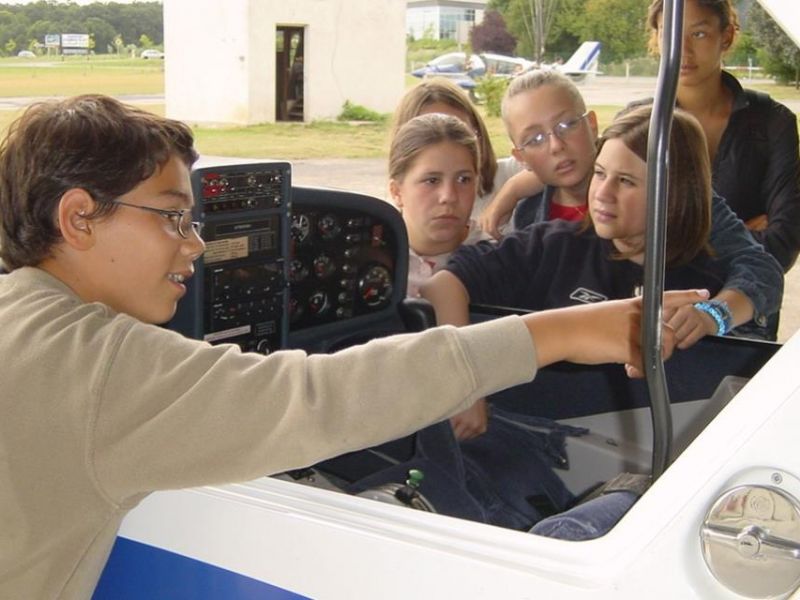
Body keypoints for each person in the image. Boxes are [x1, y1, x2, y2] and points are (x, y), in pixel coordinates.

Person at [0, 94, 703, 599]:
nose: (195, 244)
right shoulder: (98, 366)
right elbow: (316, 397)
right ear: (79, 217)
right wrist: (568, 330)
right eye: (174, 217)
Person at [421, 106, 783, 439]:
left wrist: (713, 316)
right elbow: (447, 282)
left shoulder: (710, 281)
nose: (603, 194)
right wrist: (464, 384)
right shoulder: (554, 245)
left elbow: (762, 277)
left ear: (673, 194)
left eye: (626, 181)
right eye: (599, 173)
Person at [479, 68, 782, 341]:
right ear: (520, 157)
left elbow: (761, 269)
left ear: (592, 124)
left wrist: (713, 315)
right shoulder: (530, 213)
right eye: (535, 140)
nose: (556, 146)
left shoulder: (672, 195)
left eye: (567, 125)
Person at [645, 0, 800, 273]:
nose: (683, 50)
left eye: (699, 33)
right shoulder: (639, 126)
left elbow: (781, 245)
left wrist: (676, 242)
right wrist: (739, 234)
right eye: (669, 33)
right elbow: (622, 238)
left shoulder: (773, 122)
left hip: (745, 308)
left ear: (726, 36)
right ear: (656, 38)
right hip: (660, 308)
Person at [391, 77, 543, 223]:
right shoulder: (395, 219)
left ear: (477, 132)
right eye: (426, 133)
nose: (446, 140)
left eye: (459, 131)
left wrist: (512, 190)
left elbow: (555, 164)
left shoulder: (508, 173)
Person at [389, 113, 488, 297]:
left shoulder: (495, 261)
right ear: (396, 192)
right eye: (432, 180)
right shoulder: (368, 258)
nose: (449, 196)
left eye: (463, 179)